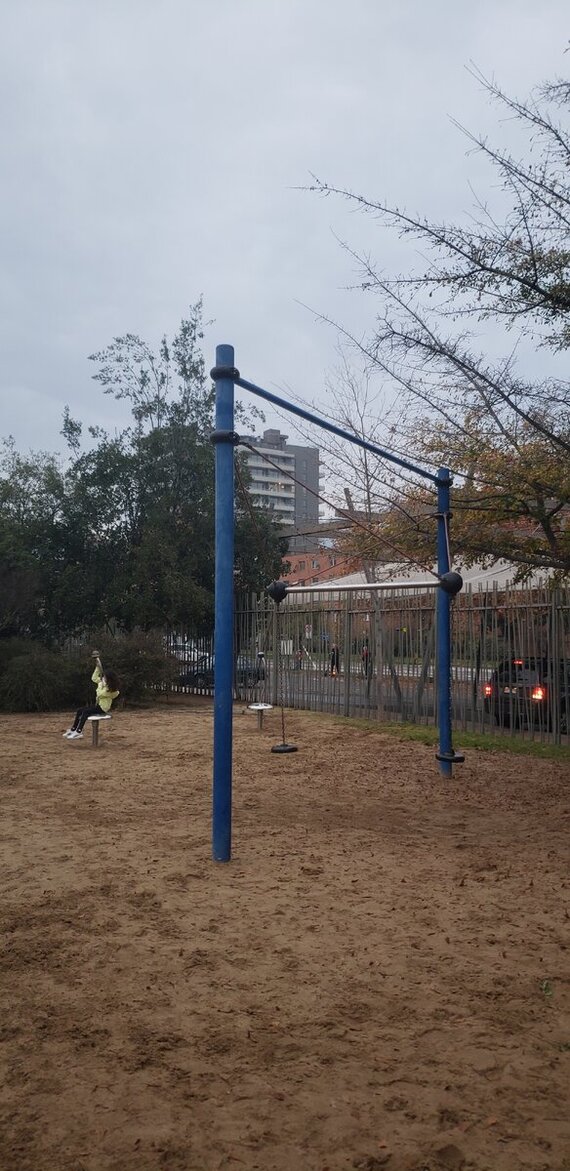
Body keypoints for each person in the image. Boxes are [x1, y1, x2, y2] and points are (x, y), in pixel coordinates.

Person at [63, 652, 120, 740]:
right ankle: (73, 729)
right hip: (98, 705)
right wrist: (97, 668)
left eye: (105, 677)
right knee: (80, 710)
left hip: (103, 708)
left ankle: (79, 732)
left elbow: (100, 694)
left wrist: (101, 684)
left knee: (85, 712)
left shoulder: (111, 690)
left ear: (109, 679)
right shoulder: (104, 684)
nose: (103, 678)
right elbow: (94, 678)